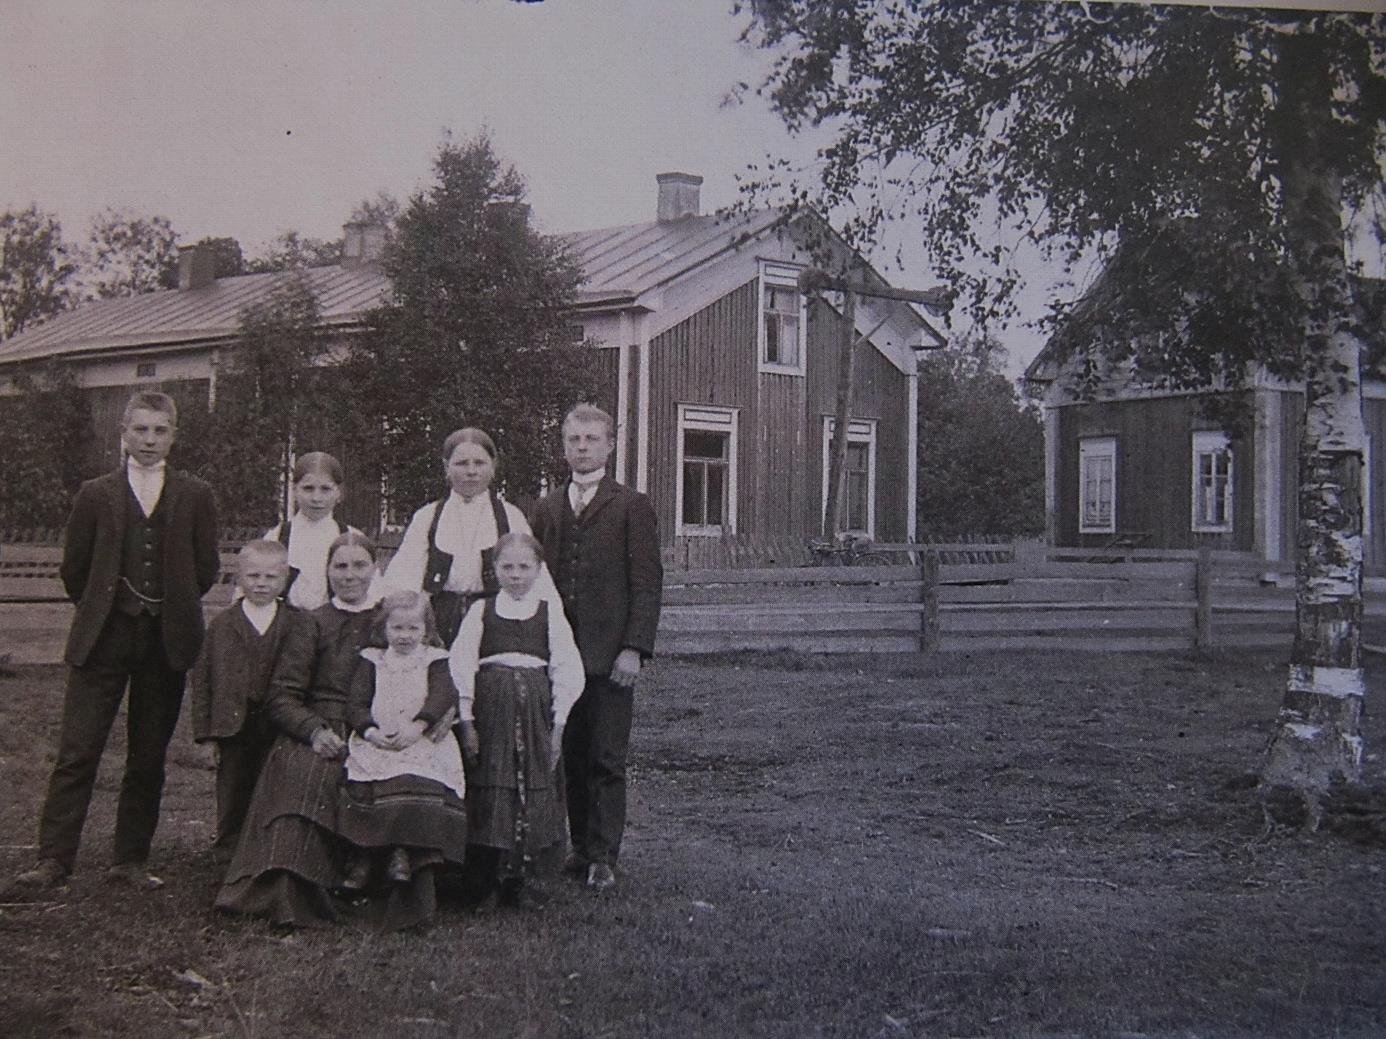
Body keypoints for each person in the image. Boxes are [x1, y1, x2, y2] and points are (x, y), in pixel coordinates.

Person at [9, 390, 220, 893]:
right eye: (140, 430)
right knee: (78, 751)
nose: (149, 440)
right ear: (123, 433)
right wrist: (108, 606)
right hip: (104, 638)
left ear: (174, 435)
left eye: (160, 430)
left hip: (165, 641)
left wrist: (164, 606)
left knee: (148, 755)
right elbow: (75, 570)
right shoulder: (95, 493)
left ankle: (129, 859)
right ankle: (54, 861)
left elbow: (205, 570)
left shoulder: (195, 495)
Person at [214, 531, 382, 927]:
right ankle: (289, 889)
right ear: (326, 570)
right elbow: (282, 695)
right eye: (340, 566)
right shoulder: (312, 623)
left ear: (376, 569)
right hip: (318, 725)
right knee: (300, 780)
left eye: (360, 565)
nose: (350, 575)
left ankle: (371, 885)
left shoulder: (393, 617)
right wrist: (313, 731)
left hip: (377, 725)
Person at [529, 404, 662, 893]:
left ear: (610, 444)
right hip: (559, 658)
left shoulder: (632, 505)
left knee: (606, 757)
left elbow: (646, 583)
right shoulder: (546, 508)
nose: (582, 447)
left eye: (591, 439)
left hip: (610, 658)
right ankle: (579, 847)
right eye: (573, 440)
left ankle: (604, 855)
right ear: (563, 446)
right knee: (570, 755)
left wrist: (634, 649)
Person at [448, 532, 583, 905]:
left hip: (536, 711)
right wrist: (467, 718)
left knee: (533, 783)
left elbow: (566, 667)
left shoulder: (548, 611)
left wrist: (559, 724)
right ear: (494, 571)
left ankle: (520, 879)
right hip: (492, 710)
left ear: (539, 570)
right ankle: (486, 878)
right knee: (493, 783)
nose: (516, 575)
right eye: (507, 567)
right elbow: (461, 665)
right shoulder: (482, 611)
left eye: (525, 567)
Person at [337, 590, 468, 900]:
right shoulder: (373, 659)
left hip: (419, 738)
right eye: (397, 628)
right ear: (384, 629)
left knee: (416, 777)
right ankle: (365, 857)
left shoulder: (434, 659)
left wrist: (420, 725)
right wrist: (369, 732)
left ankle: (403, 853)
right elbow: (356, 702)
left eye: (413, 629)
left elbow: (442, 695)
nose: (405, 636)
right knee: (366, 780)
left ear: (426, 630)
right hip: (379, 738)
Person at [189, 540, 307, 862]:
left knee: (273, 783)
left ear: (284, 579)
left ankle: (267, 847)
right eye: (253, 575)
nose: (261, 583)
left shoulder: (295, 623)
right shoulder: (222, 625)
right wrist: (205, 729)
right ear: (239, 576)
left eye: (270, 577)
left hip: (275, 723)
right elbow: (203, 678)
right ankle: (228, 848)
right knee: (232, 786)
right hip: (233, 723)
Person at [383, 427, 556, 647]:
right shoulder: (428, 518)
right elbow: (403, 579)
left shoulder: (510, 517)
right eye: (462, 463)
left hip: (494, 622)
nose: (471, 471)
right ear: (446, 467)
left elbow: (535, 578)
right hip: (439, 623)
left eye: (479, 463)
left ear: (493, 467)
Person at [263, 452, 358, 612]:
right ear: (294, 490)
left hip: (337, 629)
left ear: (339, 492)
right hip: (287, 628)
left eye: (325, 489)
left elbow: (370, 594)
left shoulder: (351, 538)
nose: (316, 498)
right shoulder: (276, 538)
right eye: (308, 489)